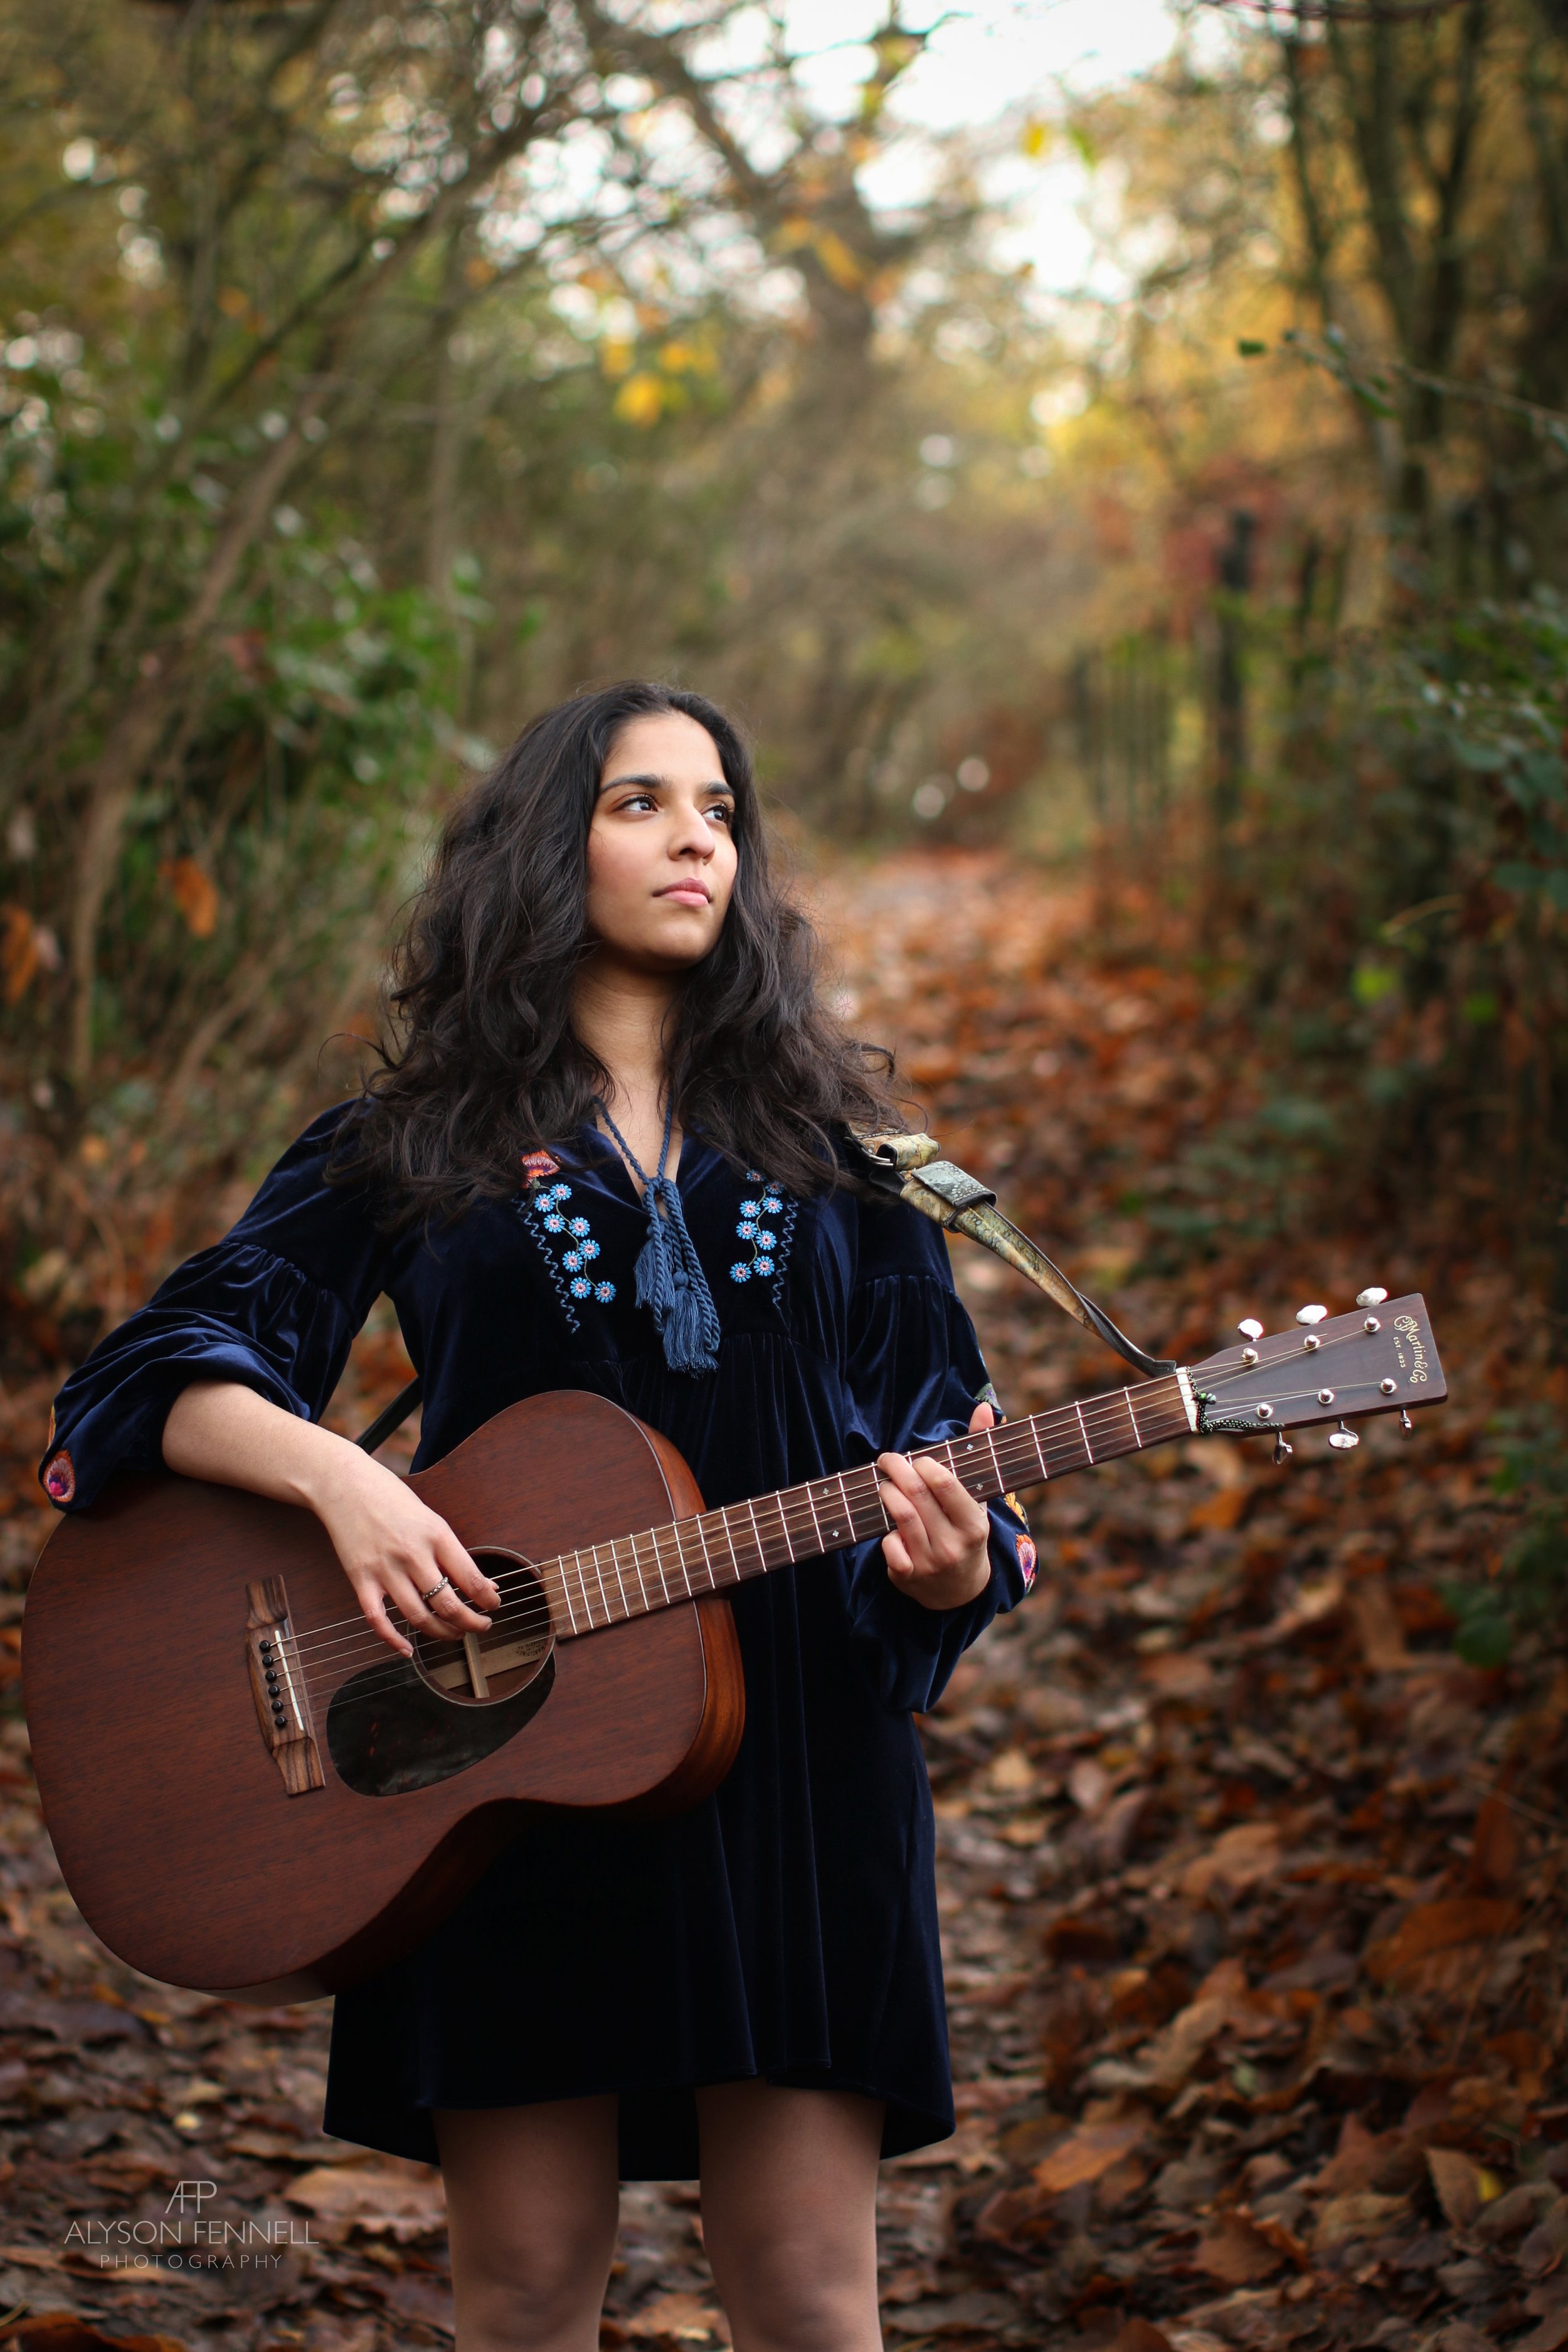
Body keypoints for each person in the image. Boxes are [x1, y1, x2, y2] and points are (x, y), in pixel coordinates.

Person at [41, 681, 1033, 2352]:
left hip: (795, 1759)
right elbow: (152, 1376)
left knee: (807, 2289)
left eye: (716, 808)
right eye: (639, 801)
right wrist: (344, 1482)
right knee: (522, 2282)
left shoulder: (859, 1157)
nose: (692, 837)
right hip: (496, 1755)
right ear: (539, 844)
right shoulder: (407, 1139)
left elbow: (948, 1438)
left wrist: (947, 1569)